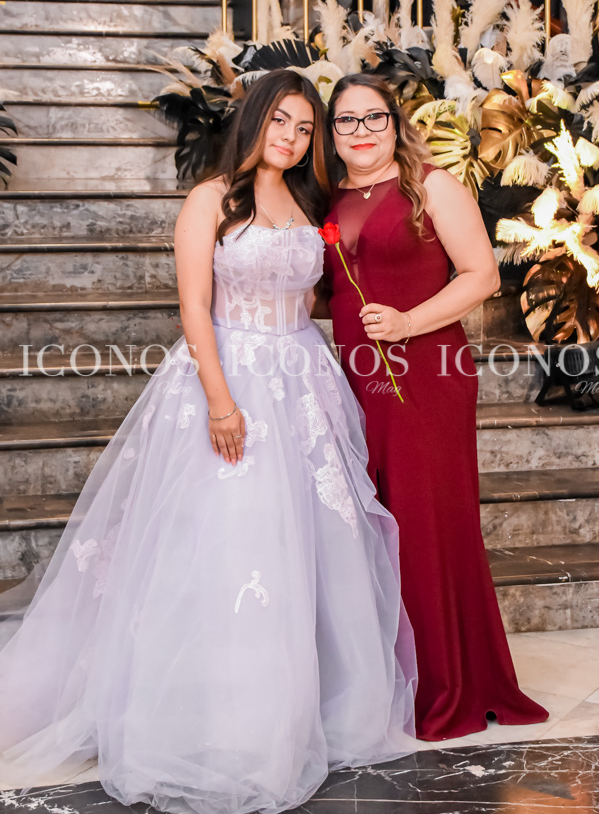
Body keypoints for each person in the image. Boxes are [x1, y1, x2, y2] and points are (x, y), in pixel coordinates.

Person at [0, 70, 418, 813]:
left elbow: (317, 292)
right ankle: (214, 718)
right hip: (228, 376)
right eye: (280, 122)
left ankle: (296, 711)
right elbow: (194, 304)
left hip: (303, 379)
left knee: (308, 545)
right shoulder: (211, 199)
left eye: (304, 129)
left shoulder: (310, 201)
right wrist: (221, 402)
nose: (291, 138)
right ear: (253, 120)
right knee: (232, 540)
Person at [321, 73, 549, 742]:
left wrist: (407, 324)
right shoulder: (325, 201)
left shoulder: (432, 186)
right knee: (373, 528)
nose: (361, 131)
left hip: (424, 374)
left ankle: (445, 684)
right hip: (356, 381)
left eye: (374, 117)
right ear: (331, 134)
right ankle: (386, 680)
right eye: (346, 120)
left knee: (424, 526)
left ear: (395, 123)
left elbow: (481, 275)